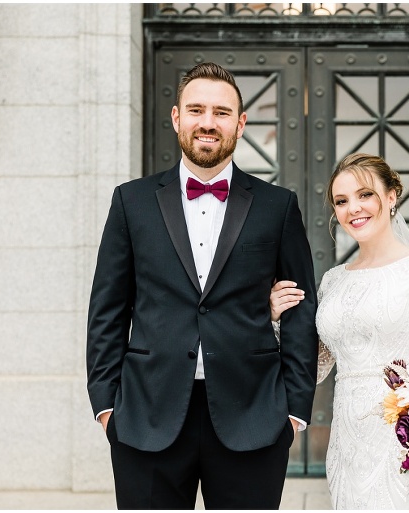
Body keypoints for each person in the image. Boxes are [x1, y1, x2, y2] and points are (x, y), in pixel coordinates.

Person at [86, 62, 319, 510]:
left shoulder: (278, 206)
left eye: (221, 112)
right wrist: (106, 406)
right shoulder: (130, 201)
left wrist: (293, 411)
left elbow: (300, 310)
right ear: (176, 117)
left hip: (253, 415)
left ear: (240, 123)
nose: (208, 122)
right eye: (196, 110)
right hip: (144, 414)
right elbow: (107, 309)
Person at [270, 153, 409, 509]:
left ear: (392, 196)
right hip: (348, 441)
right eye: (342, 201)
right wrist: (274, 317)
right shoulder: (333, 281)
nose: (353, 208)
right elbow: (315, 366)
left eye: (365, 194)